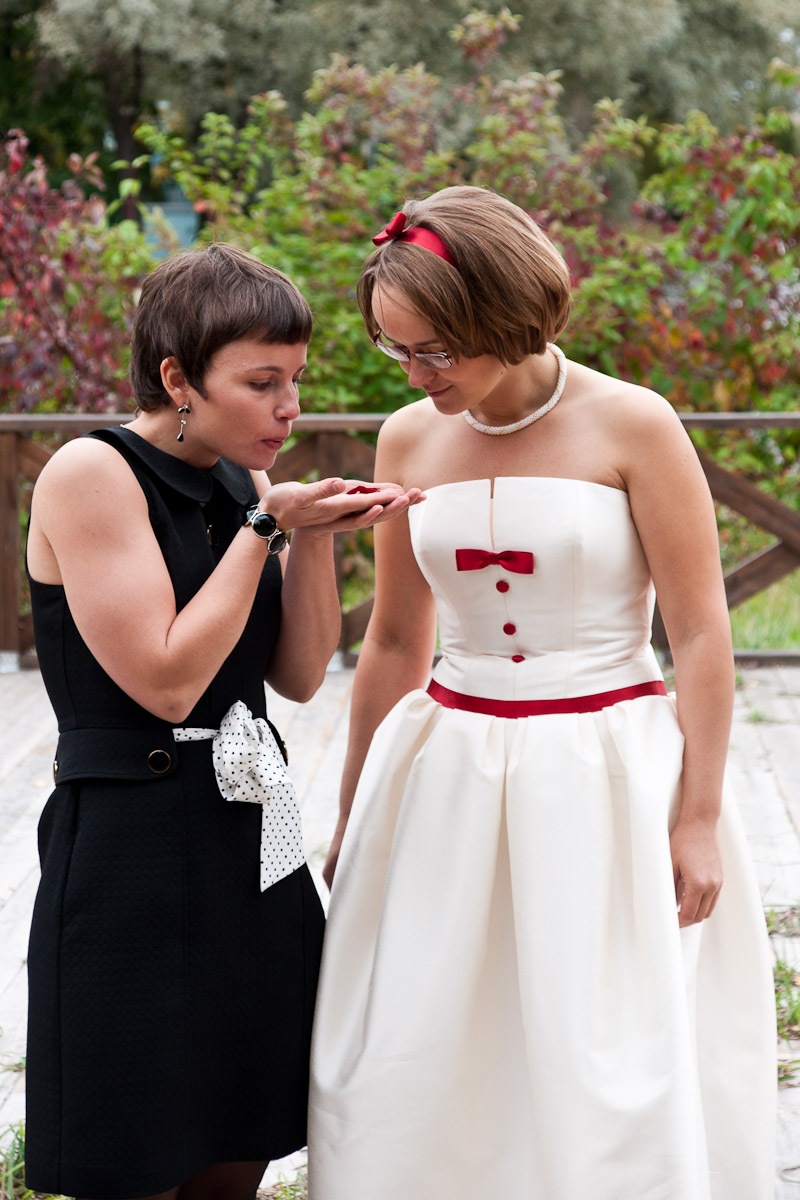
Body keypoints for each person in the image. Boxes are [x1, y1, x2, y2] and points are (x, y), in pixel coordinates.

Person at [307, 186, 777, 1199]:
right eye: (397, 350)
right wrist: (352, 813)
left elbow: (700, 633)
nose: (415, 375)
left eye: (436, 350)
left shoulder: (635, 424)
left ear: (505, 314)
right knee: (426, 1031)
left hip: (607, 771)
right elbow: (395, 639)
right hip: (448, 773)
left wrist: (697, 818)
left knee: (595, 1041)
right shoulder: (405, 438)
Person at [24, 241, 422, 1200]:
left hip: (249, 842)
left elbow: (297, 675)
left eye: (296, 380)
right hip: (128, 854)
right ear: (178, 380)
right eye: (262, 382)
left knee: (240, 1142)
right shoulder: (91, 472)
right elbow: (165, 681)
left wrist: (314, 540)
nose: (291, 407)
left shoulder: (244, 485)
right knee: (136, 1159)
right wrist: (269, 528)